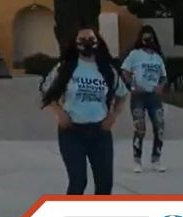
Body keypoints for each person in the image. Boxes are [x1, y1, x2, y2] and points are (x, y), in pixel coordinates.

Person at [41, 26, 129, 195]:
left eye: (91, 40)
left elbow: (123, 94)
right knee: (78, 182)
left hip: (100, 131)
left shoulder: (107, 69)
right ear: (75, 44)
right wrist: (58, 112)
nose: (87, 44)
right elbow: (45, 91)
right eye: (82, 41)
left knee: (105, 184)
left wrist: (113, 116)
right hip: (72, 132)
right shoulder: (65, 68)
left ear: (98, 42)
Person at [121, 25, 168, 173]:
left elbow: (164, 76)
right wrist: (133, 86)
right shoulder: (135, 54)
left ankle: (156, 159)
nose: (148, 40)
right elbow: (125, 72)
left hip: (154, 96)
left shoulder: (157, 57)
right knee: (139, 128)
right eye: (145, 38)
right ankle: (137, 160)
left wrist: (161, 86)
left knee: (159, 126)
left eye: (151, 38)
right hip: (139, 96)